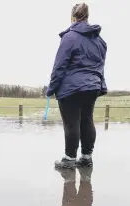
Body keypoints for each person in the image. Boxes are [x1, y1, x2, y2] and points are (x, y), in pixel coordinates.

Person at [46, 3, 107, 169]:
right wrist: (98, 83)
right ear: (86, 18)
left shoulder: (70, 37)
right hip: (92, 86)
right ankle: (86, 157)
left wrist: (51, 88)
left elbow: (59, 66)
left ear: (73, 18)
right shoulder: (100, 41)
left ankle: (69, 159)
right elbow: (100, 65)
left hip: (71, 88)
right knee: (87, 119)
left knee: (72, 122)